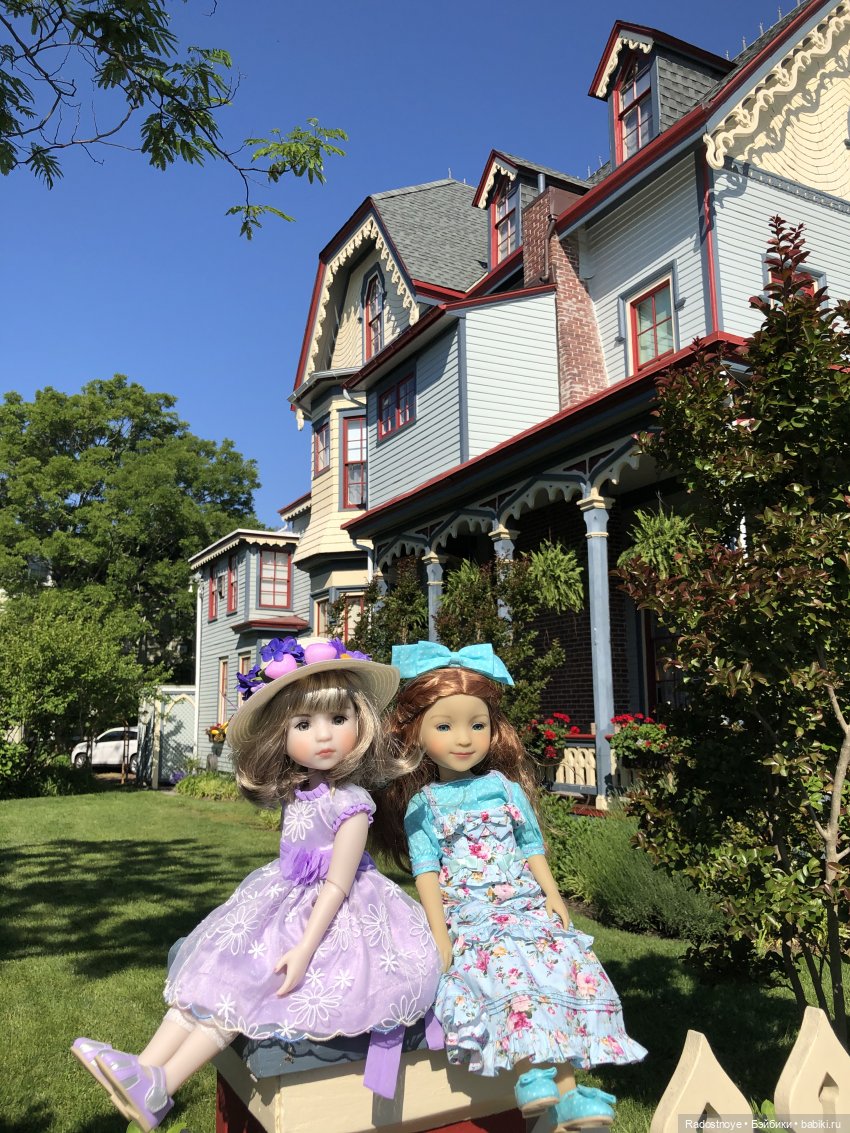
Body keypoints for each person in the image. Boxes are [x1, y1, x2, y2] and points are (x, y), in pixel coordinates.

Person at [72, 637, 440, 1132]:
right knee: (216, 970)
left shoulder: (351, 803)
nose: (324, 736)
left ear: (361, 722)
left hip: (336, 915)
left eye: (338, 719)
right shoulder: (300, 791)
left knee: (248, 985)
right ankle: (144, 1068)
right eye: (303, 725)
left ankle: (165, 1082)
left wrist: (305, 948)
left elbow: (337, 884)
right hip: (283, 897)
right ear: (280, 735)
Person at [372, 641, 646, 1133]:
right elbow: (426, 872)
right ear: (415, 735)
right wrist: (440, 933)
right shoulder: (425, 804)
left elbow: (530, 844)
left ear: (493, 729)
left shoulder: (504, 788)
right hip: (470, 911)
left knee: (553, 971)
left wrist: (553, 895)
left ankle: (567, 1094)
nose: (463, 738)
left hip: (523, 904)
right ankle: (532, 1077)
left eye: (477, 725)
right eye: (444, 726)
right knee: (505, 974)